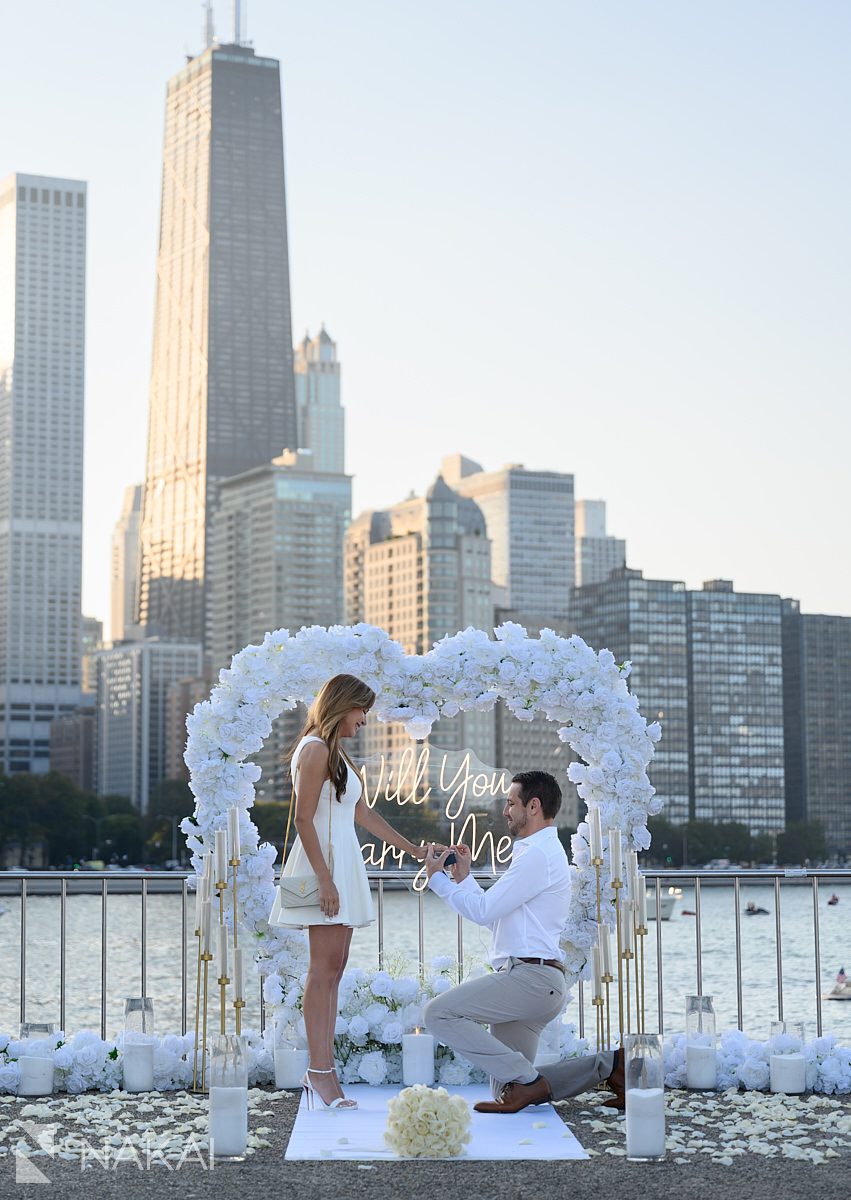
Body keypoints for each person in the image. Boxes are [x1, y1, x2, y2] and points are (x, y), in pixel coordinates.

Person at [268, 673, 429, 1109]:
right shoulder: (316, 750)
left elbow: (363, 814)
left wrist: (413, 849)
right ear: (344, 705)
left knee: (334, 969)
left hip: (344, 867)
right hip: (327, 870)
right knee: (322, 972)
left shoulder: (336, 754)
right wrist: (324, 879)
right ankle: (319, 1073)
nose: (365, 720)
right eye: (362, 711)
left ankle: (322, 1069)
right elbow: (303, 819)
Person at [423, 770, 625, 1114]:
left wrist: (437, 881)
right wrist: (465, 879)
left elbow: (485, 912)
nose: (504, 811)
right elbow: (499, 919)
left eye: (510, 802)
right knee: (509, 1087)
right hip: (536, 980)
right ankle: (612, 1067)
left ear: (533, 806)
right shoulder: (537, 852)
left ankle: (534, 1083)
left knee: (437, 1014)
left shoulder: (536, 855)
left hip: (530, 981)